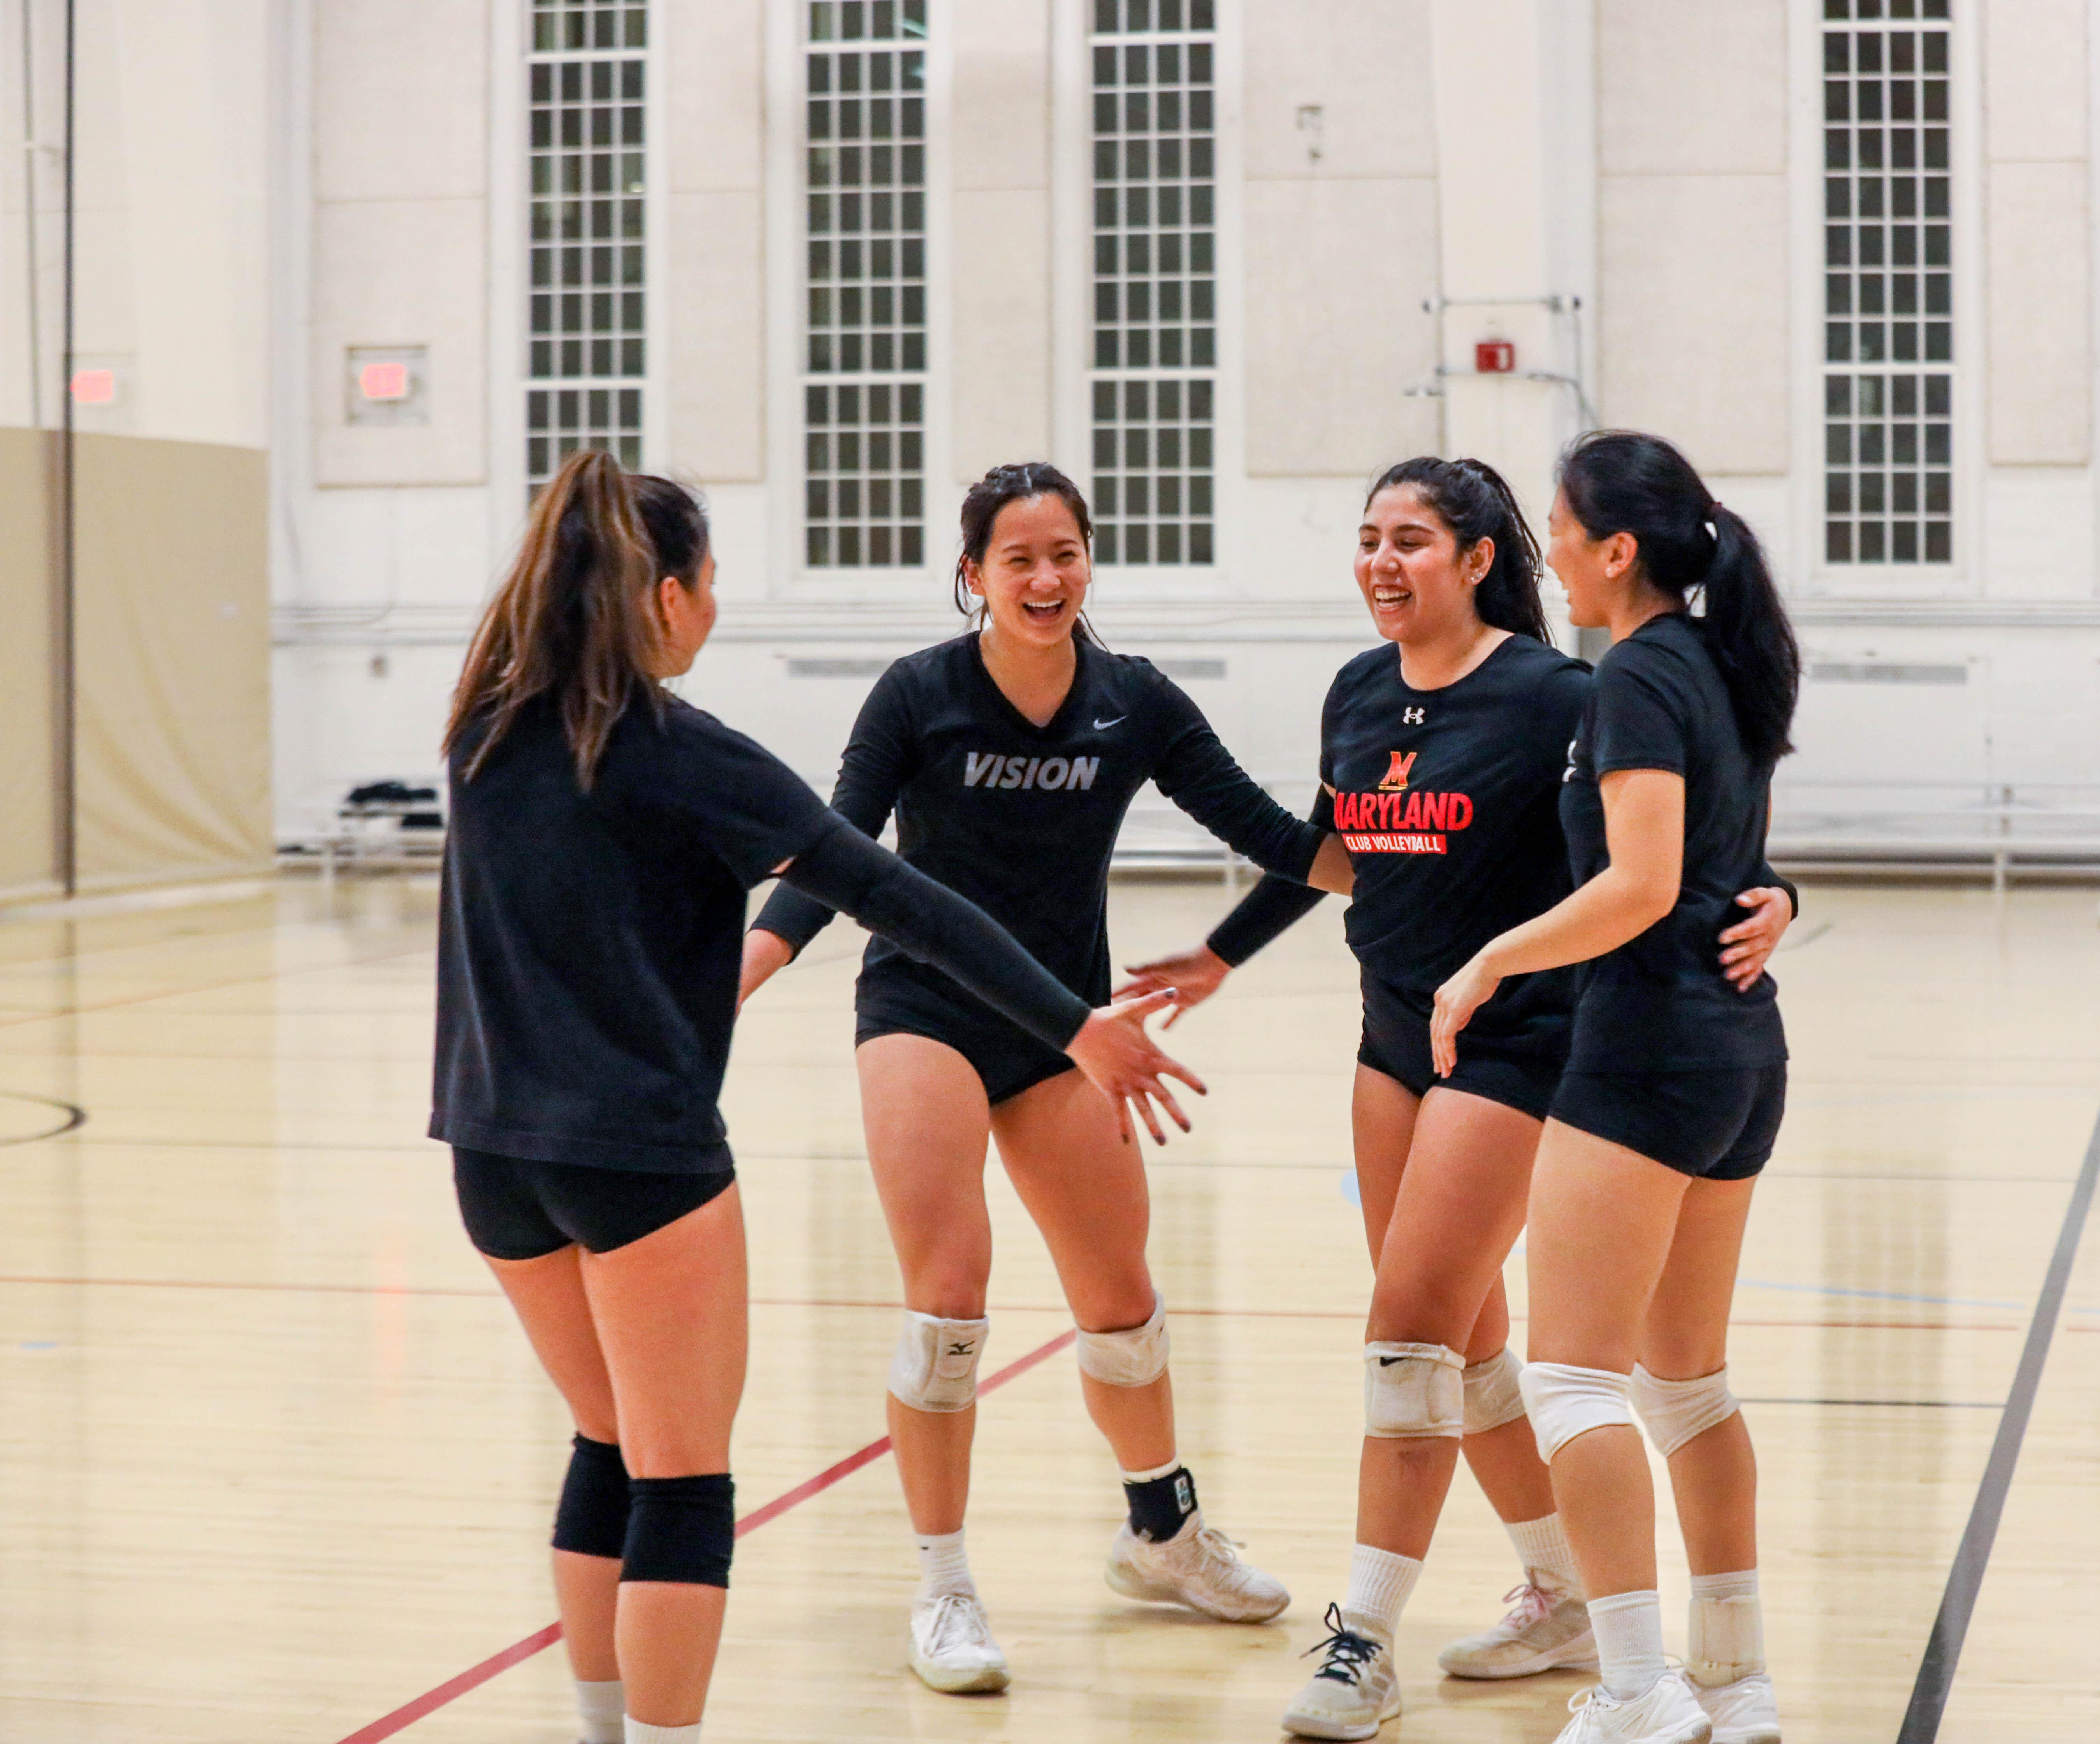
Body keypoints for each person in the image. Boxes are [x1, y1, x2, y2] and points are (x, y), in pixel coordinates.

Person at [432, 451, 1194, 1744]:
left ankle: (602, 1731)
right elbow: (900, 899)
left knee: (604, 1443)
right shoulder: (685, 755)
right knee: (680, 1482)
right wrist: (1079, 1025)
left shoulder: (480, 731)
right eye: (711, 582)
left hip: (490, 1158)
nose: (716, 606)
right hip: (640, 1160)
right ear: (664, 597)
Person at [1119, 457, 1796, 1742]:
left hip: (1521, 1045)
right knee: (1466, 1346)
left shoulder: (1563, 692)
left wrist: (1774, 893)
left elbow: (1677, 836)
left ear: (1481, 560)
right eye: (1368, 537)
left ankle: (1364, 1642)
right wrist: (1220, 954)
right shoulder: (1360, 691)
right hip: (1392, 1034)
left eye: (1412, 539)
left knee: (1411, 1332)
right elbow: (1344, 847)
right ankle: (1565, 1597)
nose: (1382, 561)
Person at [736, 463, 1347, 1693]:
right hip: (924, 1013)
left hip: (1068, 1029)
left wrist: (1424, 839)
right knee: (949, 1301)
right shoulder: (919, 694)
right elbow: (834, 855)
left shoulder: (1134, 702)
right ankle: (945, 1586)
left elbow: (1286, 845)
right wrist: (742, 973)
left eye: (1064, 553)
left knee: (1121, 1298)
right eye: (1018, 559)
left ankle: (1162, 1537)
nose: (1046, 578)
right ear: (973, 576)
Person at [1432, 430, 1798, 1744]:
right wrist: (1779, 895)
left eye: (1564, 533)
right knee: (1687, 1385)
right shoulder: (1718, 658)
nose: (1554, 559)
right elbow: (1728, 864)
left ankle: (1639, 1688)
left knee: (1575, 1379)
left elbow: (1644, 886)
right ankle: (1735, 1682)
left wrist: (1490, 960)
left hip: (1647, 1049)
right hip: (1741, 1054)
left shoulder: (1640, 672)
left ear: (1618, 548)